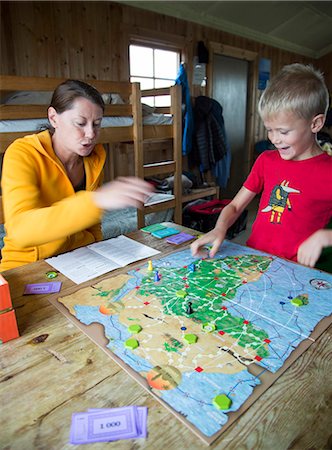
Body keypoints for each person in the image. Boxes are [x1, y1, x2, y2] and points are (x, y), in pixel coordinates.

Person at [0, 79, 153, 271]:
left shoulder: (94, 157)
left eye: (97, 124)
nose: (90, 134)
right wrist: (95, 200)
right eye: (80, 123)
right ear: (53, 117)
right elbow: (21, 231)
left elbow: (93, 225)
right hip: (28, 267)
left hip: (78, 260)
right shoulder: (22, 153)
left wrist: (98, 252)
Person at [191, 63, 332, 271]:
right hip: (254, 260)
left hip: (293, 272)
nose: (274, 139)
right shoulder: (267, 160)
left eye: (283, 132)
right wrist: (219, 228)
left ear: (316, 124)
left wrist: (326, 236)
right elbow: (236, 206)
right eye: (269, 130)